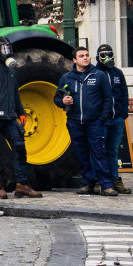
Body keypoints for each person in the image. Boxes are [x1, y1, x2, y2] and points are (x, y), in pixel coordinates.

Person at [0, 37, 41, 199]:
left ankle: (22, 185)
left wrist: (21, 113)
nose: (7, 52)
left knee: (20, 148)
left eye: (9, 49)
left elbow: (15, 93)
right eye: (4, 49)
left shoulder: (10, 69)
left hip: (10, 119)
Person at [56, 46, 115, 196]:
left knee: (99, 153)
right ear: (75, 60)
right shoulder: (66, 77)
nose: (86, 58)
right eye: (81, 56)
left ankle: (106, 185)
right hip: (75, 122)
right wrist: (64, 101)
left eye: (87, 55)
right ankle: (87, 183)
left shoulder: (99, 76)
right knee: (81, 154)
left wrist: (102, 118)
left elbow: (108, 99)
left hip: (95, 122)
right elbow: (56, 99)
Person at [97, 44, 130, 194]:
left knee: (113, 151)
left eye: (109, 54)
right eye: (103, 55)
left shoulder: (118, 73)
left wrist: (123, 113)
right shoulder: (95, 73)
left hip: (117, 119)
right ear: (98, 57)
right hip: (102, 120)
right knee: (99, 151)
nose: (106, 58)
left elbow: (124, 94)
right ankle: (100, 180)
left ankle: (115, 179)